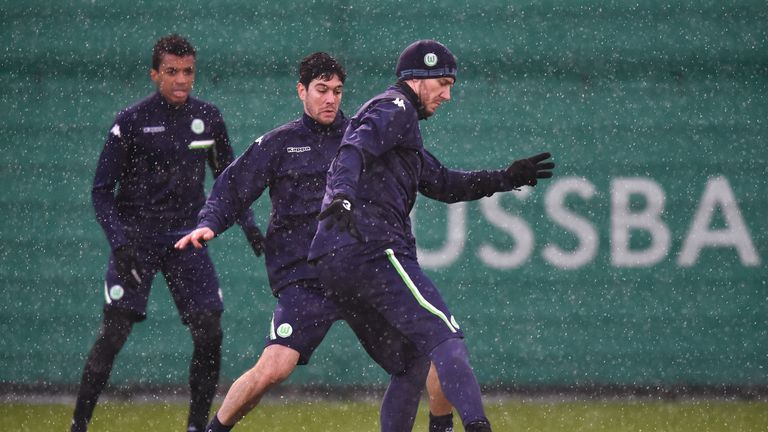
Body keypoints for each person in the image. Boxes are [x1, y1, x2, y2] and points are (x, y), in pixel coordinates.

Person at [175, 52, 457, 432]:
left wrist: (498, 180)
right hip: (306, 280)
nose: (330, 99)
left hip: (362, 273)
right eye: (321, 90)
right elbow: (234, 185)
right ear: (301, 91)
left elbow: (436, 176)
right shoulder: (281, 143)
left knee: (429, 353)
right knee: (274, 368)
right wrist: (209, 222)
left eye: (337, 91)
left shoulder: (367, 132)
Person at [308, 39, 555, 432]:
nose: (448, 94)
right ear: (416, 78)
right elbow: (352, 148)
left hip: (336, 260)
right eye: (442, 82)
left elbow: (442, 183)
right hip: (372, 248)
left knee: (411, 362)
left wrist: (505, 179)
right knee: (446, 337)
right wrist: (341, 194)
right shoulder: (397, 107)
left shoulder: (401, 130)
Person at [71, 34, 264, 432]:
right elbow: (101, 192)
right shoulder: (131, 121)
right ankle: (79, 425)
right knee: (113, 336)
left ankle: (196, 427)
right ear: (155, 73)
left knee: (209, 333)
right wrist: (120, 244)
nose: (181, 80)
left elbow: (229, 181)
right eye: (172, 72)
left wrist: (250, 227)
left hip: (185, 240)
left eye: (188, 71)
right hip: (137, 242)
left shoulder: (208, 118)